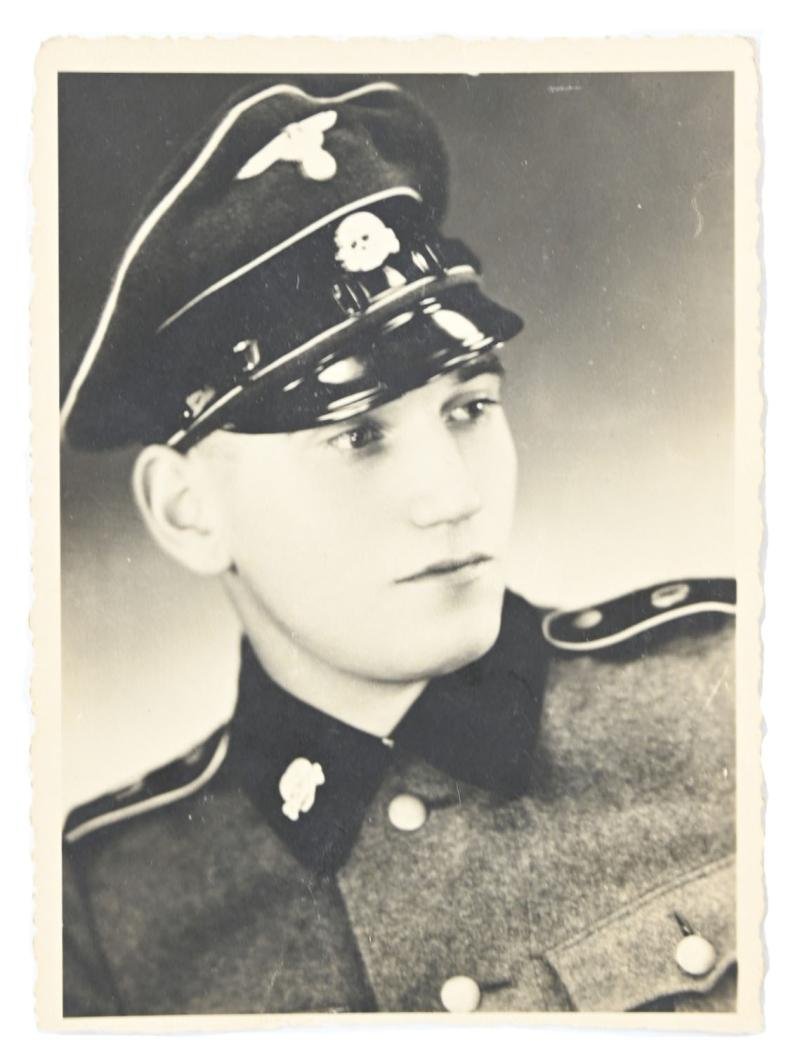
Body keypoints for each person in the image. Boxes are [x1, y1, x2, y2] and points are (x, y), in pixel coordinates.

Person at [60, 79, 737, 1016]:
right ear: (186, 512)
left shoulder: (731, 693)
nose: (455, 496)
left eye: (470, 407)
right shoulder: (105, 919)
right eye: (358, 436)